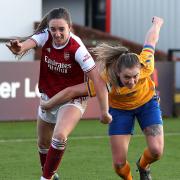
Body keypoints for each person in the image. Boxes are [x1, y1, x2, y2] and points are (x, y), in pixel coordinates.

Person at [40, 16, 164, 180]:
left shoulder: (145, 65)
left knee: (156, 151)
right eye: (127, 77)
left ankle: (143, 165)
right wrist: (48, 104)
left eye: (135, 76)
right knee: (119, 165)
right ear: (117, 72)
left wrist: (157, 24)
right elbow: (72, 91)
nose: (132, 81)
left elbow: (151, 40)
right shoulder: (105, 80)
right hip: (120, 111)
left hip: (147, 104)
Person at [6, 7, 112, 180]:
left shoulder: (77, 48)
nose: (57, 33)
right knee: (43, 144)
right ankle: (50, 174)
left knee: (60, 135)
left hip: (73, 100)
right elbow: (25, 46)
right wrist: (18, 48)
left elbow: (98, 81)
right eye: (53, 29)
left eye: (61, 29)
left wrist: (104, 111)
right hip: (48, 96)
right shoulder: (45, 36)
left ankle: (45, 178)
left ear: (70, 27)